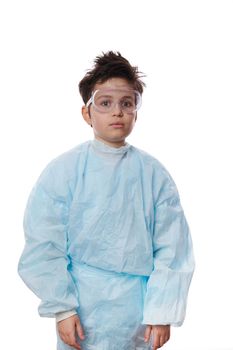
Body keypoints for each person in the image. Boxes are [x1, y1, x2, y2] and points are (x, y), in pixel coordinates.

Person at [18, 51, 195, 350]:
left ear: (136, 113)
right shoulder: (65, 171)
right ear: (87, 113)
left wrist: (162, 311)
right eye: (105, 103)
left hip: (137, 313)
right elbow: (44, 242)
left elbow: (173, 247)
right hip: (82, 311)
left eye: (127, 103)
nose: (117, 112)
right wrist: (63, 308)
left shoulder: (153, 175)